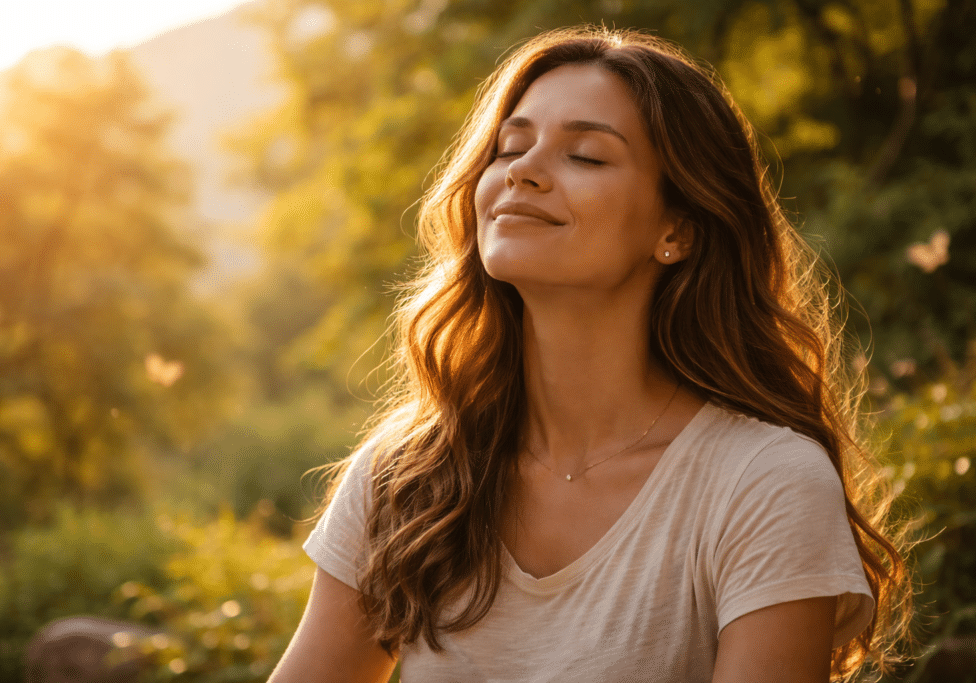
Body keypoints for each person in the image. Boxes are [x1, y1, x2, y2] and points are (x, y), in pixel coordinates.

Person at [268, 26, 913, 683]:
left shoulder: (764, 482)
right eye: (509, 147)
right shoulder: (402, 476)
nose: (521, 170)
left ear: (677, 228)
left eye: (586, 156)